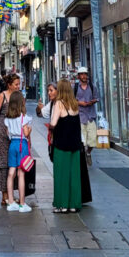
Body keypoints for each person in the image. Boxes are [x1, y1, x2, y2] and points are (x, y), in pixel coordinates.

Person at [0, 73, 21, 206]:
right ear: (9, 85)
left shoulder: (19, 97)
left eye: (19, 84)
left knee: (14, 163)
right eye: (16, 84)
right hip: (2, 133)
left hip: (16, 134)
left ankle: (11, 195)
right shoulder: (2, 96)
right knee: (2, 163)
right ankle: (4, 196)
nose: (18, 86)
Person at [51, 78, 82, 213]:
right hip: (74, 144)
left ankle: (62, 204)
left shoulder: (59, 103)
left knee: (61, 174)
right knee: (74, 175)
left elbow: (53, 123)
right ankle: (74, 204)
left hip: (61, 144)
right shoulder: (75, 104)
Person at [4, 90, 33, 213]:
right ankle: (22, 203)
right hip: (22, 145)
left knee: (11, 173)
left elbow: (7, 133)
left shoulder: (8, 119)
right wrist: (30, 130)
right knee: (21, 174)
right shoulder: (24, 117)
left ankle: (11, 202)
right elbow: (26, 133)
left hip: (12, 145)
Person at [74, 66, 100, 165]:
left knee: (93, 140)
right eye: (82, 74)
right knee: (82, 140)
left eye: (85, 74)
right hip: (80, 117)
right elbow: (71, 100)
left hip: (90, 116)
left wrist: (92, 102)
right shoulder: (75, 88)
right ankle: (82, 157)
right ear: (79, 76)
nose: (84, 76)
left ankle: (88, 153)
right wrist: (81, 103)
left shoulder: (92, 87)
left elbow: (97, 98)